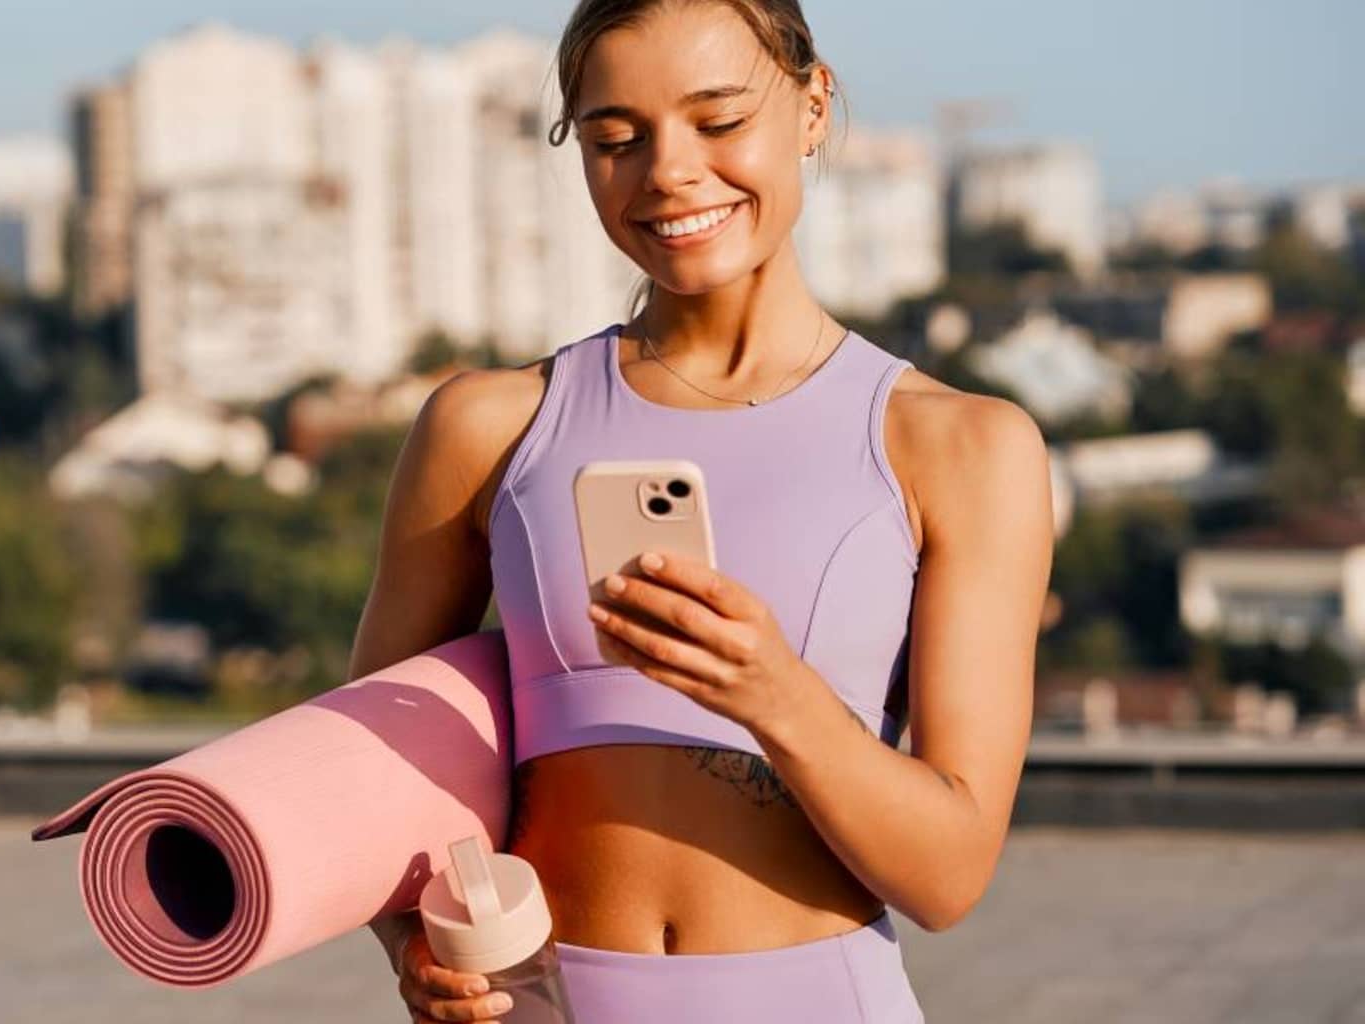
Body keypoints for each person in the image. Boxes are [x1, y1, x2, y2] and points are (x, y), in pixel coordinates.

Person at [351, 1, 1055, 1021]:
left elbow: (946, 877)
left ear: (812, 106)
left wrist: (773, 691)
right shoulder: (487, 426)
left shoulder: (960, 447)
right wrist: (409, 937)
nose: (667, 172)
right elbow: (371, 764)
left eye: (717, 122)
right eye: (614, 139)